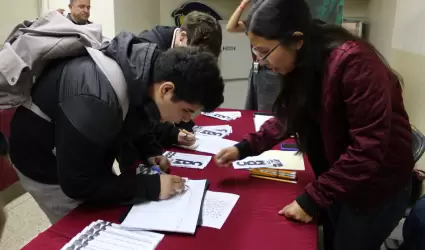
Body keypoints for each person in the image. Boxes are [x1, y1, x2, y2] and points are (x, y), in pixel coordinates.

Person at [215, 0, 413, 249]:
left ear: (297, 39)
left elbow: (367, 149)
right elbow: (289, 116)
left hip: (375, 185)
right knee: (328, 238)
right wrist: (244, 147)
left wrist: (313, 198)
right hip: (341, 175)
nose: (261, 61)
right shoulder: (304, 60)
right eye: (255, 51)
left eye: (264, 51)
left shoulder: (355, 63)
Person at [9, 32, 224, 224]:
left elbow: (136, 112)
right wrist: (152, 187)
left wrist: (150, 151)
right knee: (85, 225)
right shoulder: (96, 98)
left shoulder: (147, 71)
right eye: (186, 111)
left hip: (82, 145)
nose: (183, 120)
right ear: (167, 91)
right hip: (45, 161)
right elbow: (78, 185)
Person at [138, 11, 222, 147]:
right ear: (182, 37)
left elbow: (182, 97)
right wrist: (171, 134)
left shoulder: (178, 46)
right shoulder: (148, 52)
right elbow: (139, 112)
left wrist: (185, 125)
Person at [226, 0, 282, 112]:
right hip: (257, 70)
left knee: (267, 112)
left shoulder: (275, 20)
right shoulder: (254, 22)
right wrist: (243, 4)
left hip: (272, 72)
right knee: (252, 109)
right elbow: (230, 27)